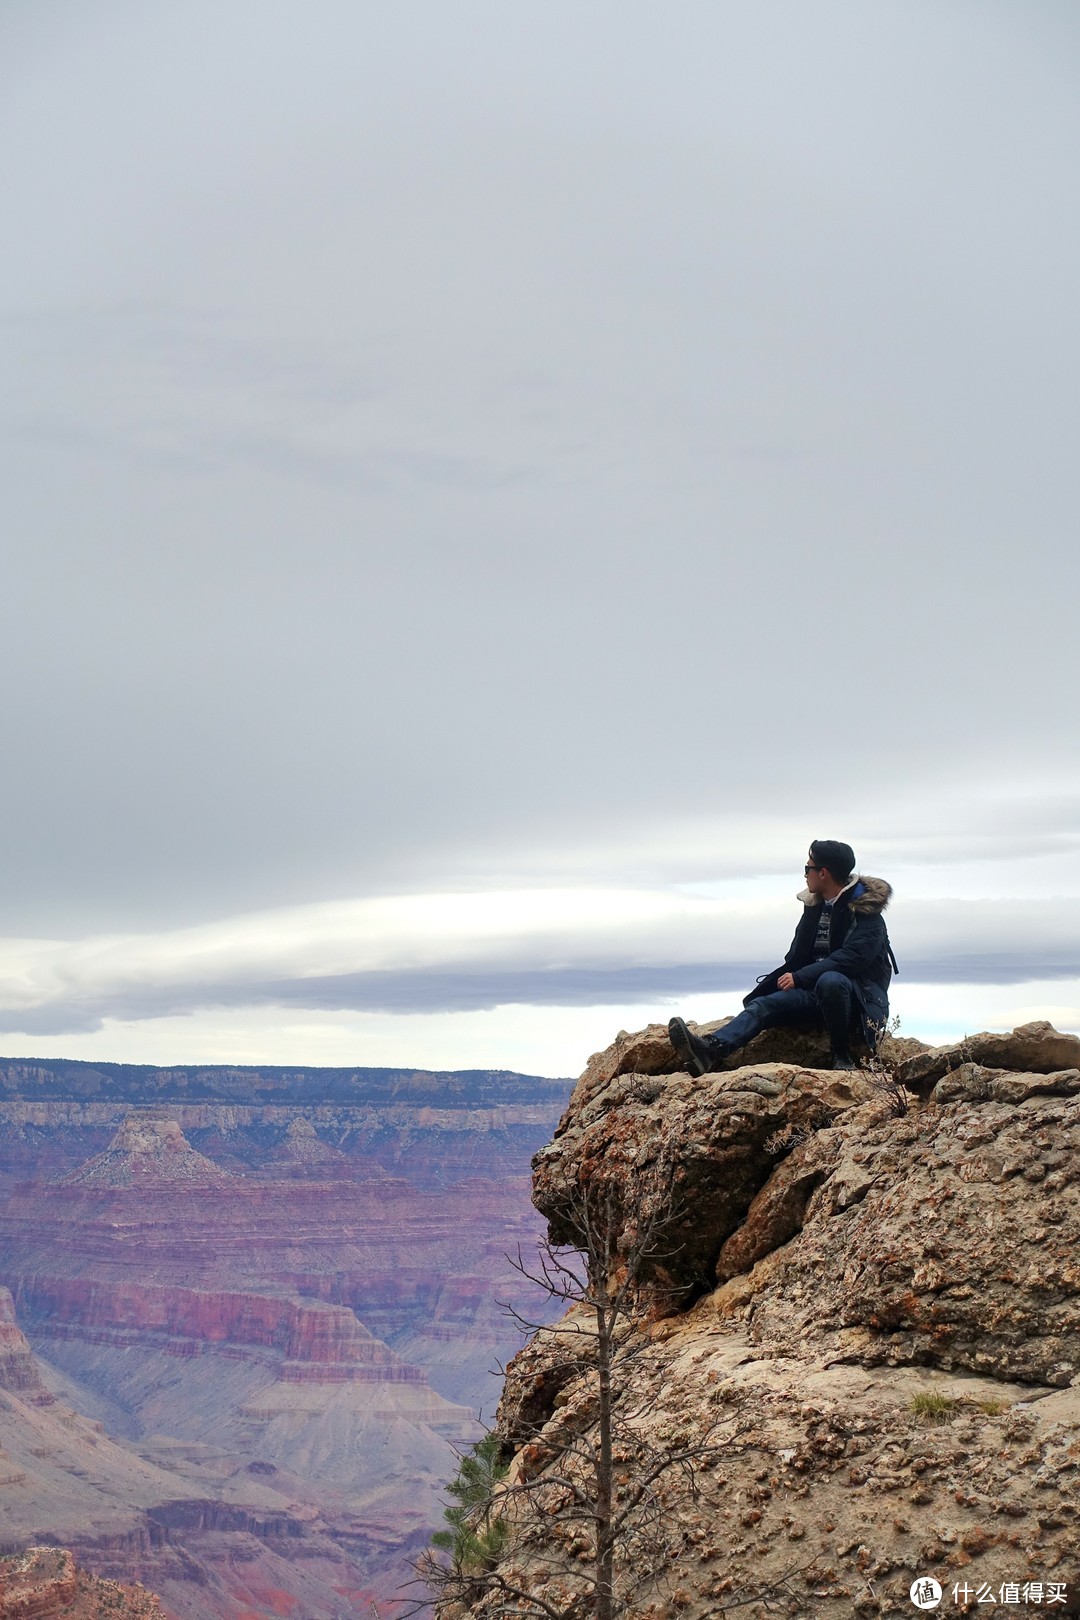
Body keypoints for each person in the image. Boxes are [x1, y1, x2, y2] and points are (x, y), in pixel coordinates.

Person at [668, 839, 895, 1074]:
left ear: (823, 873)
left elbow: (851, 960)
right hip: (814, 992)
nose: (805, 875)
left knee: (832, 981)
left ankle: (841, 1057)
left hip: (858, 1000)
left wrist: (800, 977)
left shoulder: (867, 913)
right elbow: (796, 956)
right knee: (764, 1005)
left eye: (808, 868)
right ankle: (709, 1051)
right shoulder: (816, 905)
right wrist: (810, 915)